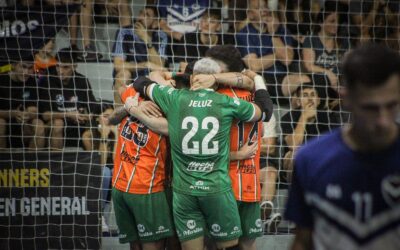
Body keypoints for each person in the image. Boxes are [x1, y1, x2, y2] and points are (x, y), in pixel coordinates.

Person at [126, 58, 272, 250]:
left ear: (193, 77)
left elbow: (140, 82)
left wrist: (167, 79)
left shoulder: (174, 97)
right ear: (217, 81)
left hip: (184, 193)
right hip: (217, 191)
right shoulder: (226, 102)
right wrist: (258, 79)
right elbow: (265, 110)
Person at [285, 43, 400, 250]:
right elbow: (302, 241)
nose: (383, 120)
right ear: (346, 99)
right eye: (370, 108)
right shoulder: (311, 159)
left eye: (391, 105)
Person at [109, 84, 175, 250]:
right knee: (152, 245)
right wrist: (130, 107)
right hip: (146, 188)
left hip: (120, 186)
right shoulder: (169, 105)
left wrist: (132, 108)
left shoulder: (133, 95)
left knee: (136, 245)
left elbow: (112, 117)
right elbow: (111, 118)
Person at [235, 0, 298, 105]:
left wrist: (273, 33)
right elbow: (254, 66)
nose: (264, 11)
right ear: (250, 14)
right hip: (261, 77)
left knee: (305, 80)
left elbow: (287, 60)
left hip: (283, 79)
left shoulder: (281, 29)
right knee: (258, 82)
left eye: (265, 7)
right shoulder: (244, 34)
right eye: (259, 8)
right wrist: (278, 55)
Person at [39, 48, 100, 150]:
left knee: (94, 128)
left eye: (65, 67)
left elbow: (92, 108)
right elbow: (44, 115)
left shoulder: (82, 81)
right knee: (58, 123)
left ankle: (96, 164)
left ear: (74, 66)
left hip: (77, 125)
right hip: (53, 126)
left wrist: (84, 116)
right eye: (58, 66)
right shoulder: (47, 81)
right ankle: (56, 163)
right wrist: (69, 115)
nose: (61, 71)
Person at [280, 83, 338, 181]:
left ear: (318, 100)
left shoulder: (328, 118)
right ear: (298, 102)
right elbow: (293, 145)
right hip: (293, 162)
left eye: (312, 95)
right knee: (295, 153)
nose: (310, 99)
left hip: (320, 158)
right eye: (305, 95)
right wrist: (304, 117)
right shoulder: (288, 117)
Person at [112, 5, 168, 104]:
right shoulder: (124, 33)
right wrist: (146, 64)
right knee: (123, 74)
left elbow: (160, 66)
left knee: (159, 75)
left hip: (149, 80)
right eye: (141, 13)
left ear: (155, 23)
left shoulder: (161, 36)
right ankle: (120, 116)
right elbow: (118, 65)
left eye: (147, 15)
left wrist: (146, 39)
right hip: (131, 79)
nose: (141, 17)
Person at [0, 55, 45, 149]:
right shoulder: (2, 80)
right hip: (6, 120)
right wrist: (12, 114)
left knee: (39, 125)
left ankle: (33, 162)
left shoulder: (31, 81)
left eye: (30, 68)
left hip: (24, 122)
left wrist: (26, 115)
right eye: (23, 67)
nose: (26, 72)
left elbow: (35, 109)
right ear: (13, 65)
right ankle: (4, 161)